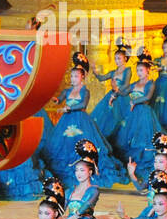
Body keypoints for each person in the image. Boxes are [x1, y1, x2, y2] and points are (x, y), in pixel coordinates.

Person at [40, 53, 127, 187]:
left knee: (83, 146)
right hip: (66, 122)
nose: (73, 79)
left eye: (76, 76)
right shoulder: (67, 91)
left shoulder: (85, 91)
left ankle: (86, 170)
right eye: (71, 76)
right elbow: (59, 100)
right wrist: (54, 100)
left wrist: (68, 109)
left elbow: (83, 105)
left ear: (83, 77)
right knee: (63, 146)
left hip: (81, 120)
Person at [114, 53, 166, 168]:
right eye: (137, 70)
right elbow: (125, 92)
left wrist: (134, 102)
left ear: (148, 71)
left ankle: (146, 158)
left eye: (141, 70)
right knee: (129, 136)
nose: (139, 73)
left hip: (144, 114)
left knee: (143, 137)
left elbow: (147, 97)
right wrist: (116, 92)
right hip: (133, 113)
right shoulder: (134, 84)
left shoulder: (150, 83)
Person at [91, 41, 133, 143]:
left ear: (125, 59)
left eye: (119, 58)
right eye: (115, 58)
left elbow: (126, 85)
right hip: (112, 95)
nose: (116, 61)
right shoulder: (113, 72)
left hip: (122, 97)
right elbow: (102, 78)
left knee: (121, 121)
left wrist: (117, 90)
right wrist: (95, 71)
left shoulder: (128, 70)